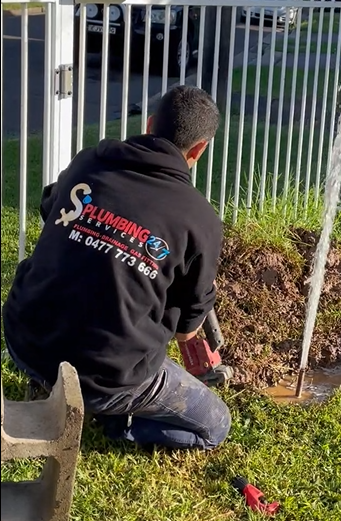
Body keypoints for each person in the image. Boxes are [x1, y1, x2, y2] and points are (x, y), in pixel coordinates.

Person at [2, 85, 231, 451]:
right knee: (215, 426)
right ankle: (116, 422)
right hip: (107, 379)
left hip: (24, 338)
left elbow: (51, 210)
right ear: (200, 149)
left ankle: (49, 382)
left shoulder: (90, 161)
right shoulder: (199, 220)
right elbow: (187, 332)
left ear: (151, 124)